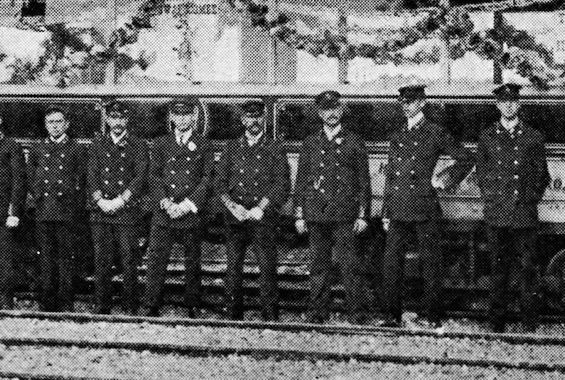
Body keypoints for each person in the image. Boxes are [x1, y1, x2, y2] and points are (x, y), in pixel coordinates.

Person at [380, 85, 474, 328]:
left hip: (424, 206)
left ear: (422, 103)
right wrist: (385, 211)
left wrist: (443, 179)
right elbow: (392, 175)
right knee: (392, 263)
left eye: (411, 101)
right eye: (403, 102)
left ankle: (432, 318)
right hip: (398, 207)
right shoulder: (398, 134)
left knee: (431, 264)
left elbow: (465, 158)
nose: (406, 106)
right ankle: (392, 316)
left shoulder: (435, 132)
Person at [477, 83, 550, 333]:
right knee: (498, 269)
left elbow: (543, 176)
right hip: (497, 215)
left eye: (513, 101)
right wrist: (493, 199)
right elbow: (482, 175)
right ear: (498, 105)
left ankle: (529, 322)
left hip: (524, 215)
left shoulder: (533, 136)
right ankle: (497, 322)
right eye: (504, 102)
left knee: (528, 269)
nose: (508, 105)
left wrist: (528, 201)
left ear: (518, 104)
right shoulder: (487, 136)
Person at [294, 90, 371, 324]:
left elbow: (363, 181)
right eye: (326, 110)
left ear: (342, 111)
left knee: (350, 266)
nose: (331, 114)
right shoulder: (310, 143)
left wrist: (363, 214)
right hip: (317, 214)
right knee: (318, 266)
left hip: (345, 215)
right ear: (319, 113)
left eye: (335, 109)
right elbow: (302, 180)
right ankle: (318, 313)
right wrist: (299, 214)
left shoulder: (355, 141)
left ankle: (356, 315)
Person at [215, 100, 290, 321]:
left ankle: (269, 313)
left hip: (262, 217)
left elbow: (282, 183)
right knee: (233, 266)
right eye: (249, 117)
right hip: (235, 217)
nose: (253, 121)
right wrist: (231, 206)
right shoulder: (231, 147)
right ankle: (233, 312)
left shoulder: (275, 147)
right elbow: (219, 182)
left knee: (267, 266)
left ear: (264, 119)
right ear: (242, 120)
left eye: (258, 117)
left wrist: (262, 207)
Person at [141, 100, 214, 317]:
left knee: (192, 260)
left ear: (193, 117)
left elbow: (207, 178)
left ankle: (192, 303)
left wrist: (187, 205)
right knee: (156, 258)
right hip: (165, 211)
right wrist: (164, 202)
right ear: (172, 117)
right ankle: (152, 303)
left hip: (189, 211)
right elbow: (154, 176)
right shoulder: (161, 143)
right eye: (177, 115)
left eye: (186, 115)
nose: (181, 119)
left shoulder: (203, 144)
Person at [87, 101, 148, 315]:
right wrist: (100, 201)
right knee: (101, 259)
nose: (117, 122)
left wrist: (121, 201)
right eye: (113, 118)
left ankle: (129, 306)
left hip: (126, 210)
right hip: (100, 211)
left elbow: (139, 177)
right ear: (107, 120)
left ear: (127, 120)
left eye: (121, 118)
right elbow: (91, 175)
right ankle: (102, 305)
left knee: (128, 259)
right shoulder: (97, 143)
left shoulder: (138, 144)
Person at [28, 105, 86, 312]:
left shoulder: (77, 148)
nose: (55, 126)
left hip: (66, 212)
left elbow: (81, 180)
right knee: (44, 255)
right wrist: (37, 199)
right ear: (45, 125)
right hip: (43, 210)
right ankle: (47, 301)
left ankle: (65, 301)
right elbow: (31, 178)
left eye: (59, 122)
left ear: (67, 124)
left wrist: (74, 206)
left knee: (66, 257)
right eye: (51, 122)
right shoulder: (37, 148)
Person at [0, 116, 26, 309]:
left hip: (3, 213)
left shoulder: (11, 146)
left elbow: (18, 183)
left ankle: (5, 300)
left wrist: (13, 212)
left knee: (4, 259)